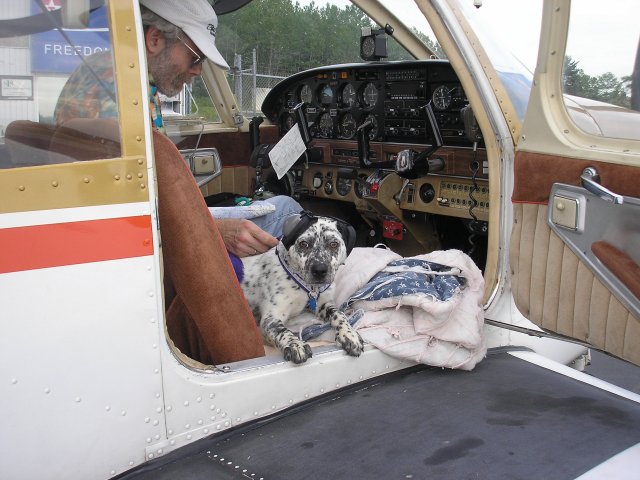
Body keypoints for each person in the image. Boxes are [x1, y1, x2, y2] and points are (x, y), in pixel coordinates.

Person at [54, 0, 301, 258]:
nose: (197, 70)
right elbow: (127, 215)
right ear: (155, 39)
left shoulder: (105, 71)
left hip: (152, 224)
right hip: (148, 242)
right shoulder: (122, 94)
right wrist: (216, 230)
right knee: (286, 209)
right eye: (195, 58)